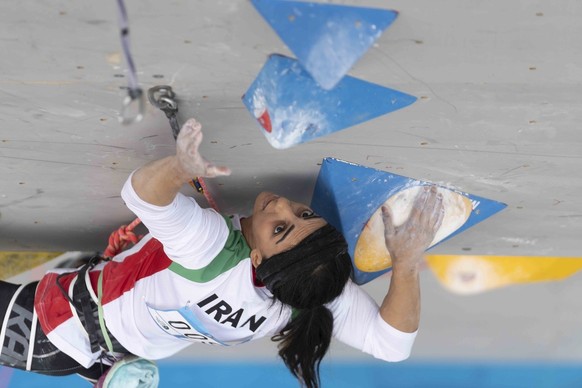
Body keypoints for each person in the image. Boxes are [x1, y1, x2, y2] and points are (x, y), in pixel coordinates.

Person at [0, 118, 444, 388]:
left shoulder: (208, 248)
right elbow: (392, 346)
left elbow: (140, 197)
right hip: (108, 345)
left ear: (257, 260)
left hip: (52, 327)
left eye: (281, 228)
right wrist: (405, 263)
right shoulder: (305, 290)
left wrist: (179, 168)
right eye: (305, 212)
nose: (283, 206)